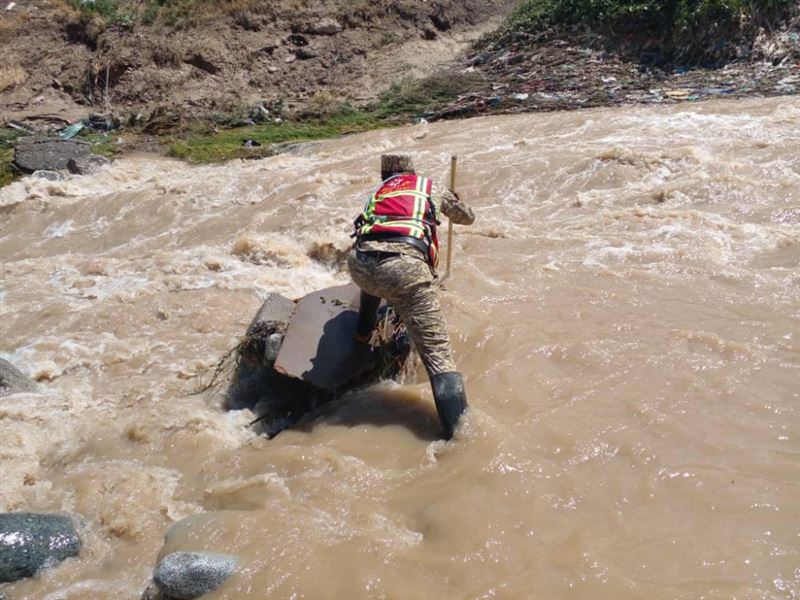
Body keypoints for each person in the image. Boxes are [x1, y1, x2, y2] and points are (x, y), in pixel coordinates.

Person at [347, 154, 476, 439]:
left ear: (384, 176)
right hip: (404, 268)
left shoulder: (378, 191)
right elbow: (467, 217)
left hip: (359, 264)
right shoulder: (430, 186)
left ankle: (362, 332)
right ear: (412, 170)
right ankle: (459, 439)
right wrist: (455, 198)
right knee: (439, 357)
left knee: (374, 282)